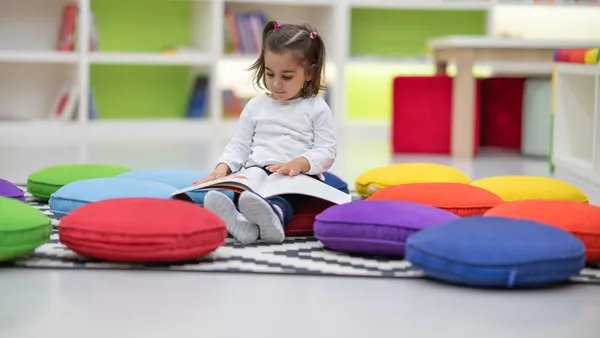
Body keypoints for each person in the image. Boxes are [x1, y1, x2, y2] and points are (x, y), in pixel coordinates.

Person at [193, 20, 336, 245]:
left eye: (286, 76)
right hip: (257, 170)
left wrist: (299, 163)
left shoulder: (316, 107)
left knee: (284, 192)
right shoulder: (255, 106)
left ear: (309, 72)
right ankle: (243, 223)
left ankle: (274, 219)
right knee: (248, 184)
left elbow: (327, 150)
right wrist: (223, 168)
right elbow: (239, 145)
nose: (276, 83)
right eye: (270, 74)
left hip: (294, 174)